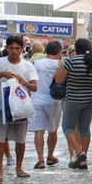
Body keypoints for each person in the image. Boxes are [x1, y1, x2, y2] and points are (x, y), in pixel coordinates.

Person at [0, 34, 38, 182]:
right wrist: (2, 74)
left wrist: (24, 83)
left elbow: (35, 87)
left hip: (20, 106)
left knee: (20, 139)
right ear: (7, 48)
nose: (14, 51)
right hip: (1, 105)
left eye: (17, 48)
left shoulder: (28, 66)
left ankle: (19, 167)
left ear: (22, 49)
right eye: (11, 48)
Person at [55, 38, 92, 170]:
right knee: (85, 129)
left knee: (68, 128)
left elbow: (59, 80)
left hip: (73, 100)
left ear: (76, 49)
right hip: (90, 100)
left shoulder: (70, 62)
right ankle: (83, 160)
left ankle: (79, 152)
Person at [29, 40, 63, 169]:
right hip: (53, 101)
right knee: (52, 130)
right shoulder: (61, 64)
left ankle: (40, 159)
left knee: (39, 130)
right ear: (59, 52)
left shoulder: (36, 63)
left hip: (36, 100)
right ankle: (50, 156)